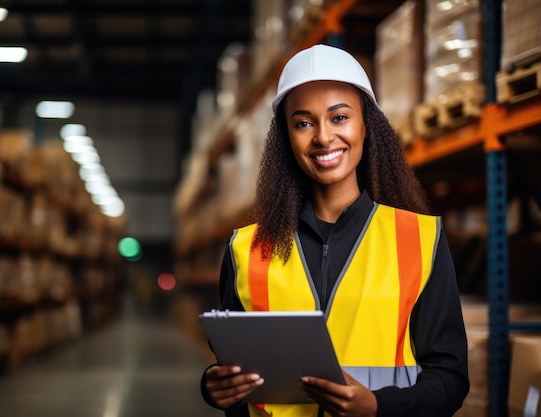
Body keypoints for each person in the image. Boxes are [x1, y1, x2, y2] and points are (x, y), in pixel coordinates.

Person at [200, 44, 469, 417]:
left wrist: (378, 406)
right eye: (304, 123)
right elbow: (238, 379)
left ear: (366, 125)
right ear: (287, 139)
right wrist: (216, 388)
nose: (324, 137)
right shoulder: (246, 250)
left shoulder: (419, 240)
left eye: (339, 117)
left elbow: (451, 379)